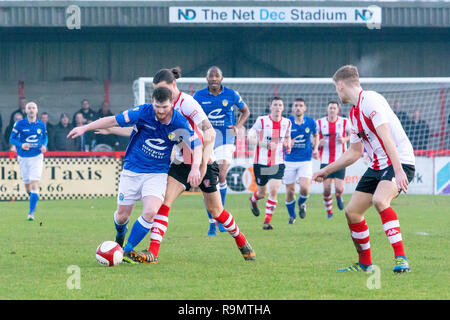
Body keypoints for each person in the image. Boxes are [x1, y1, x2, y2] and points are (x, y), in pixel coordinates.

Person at [108, 68, 255, 263]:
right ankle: (153, 253)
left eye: (163, 89)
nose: (159, 96)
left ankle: (241, 241)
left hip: (203, 162)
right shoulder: (162, 106)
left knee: (216, 211)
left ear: (173, 85)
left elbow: (209, 133)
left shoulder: (187, 103)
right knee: (163, 204)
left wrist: (201, 167)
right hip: (180, 163)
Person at [68, 86, 203, 263]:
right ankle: (120, 233)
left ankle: (126, 250)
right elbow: (112, 120)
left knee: (151, 212)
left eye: (164, 107)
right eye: (157, 106)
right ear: (152, 102)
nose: (160, 111)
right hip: (132, 170)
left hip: (157, 173)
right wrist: (85, 128)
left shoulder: (179, 122)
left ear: (171, 104)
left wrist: (195, 168)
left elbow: (197, 144)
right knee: (122, 216)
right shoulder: (142, 112)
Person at [313, 65, 415, 273]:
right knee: (352, 212)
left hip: (400, 160)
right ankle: (365, 265)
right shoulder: (353, 114)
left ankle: (401, 259)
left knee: (380, 200)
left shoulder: (370, 99)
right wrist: (326, 170)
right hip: (378, 165)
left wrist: (399, 170)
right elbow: (354, 152)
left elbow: (386, 136)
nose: (336, 93)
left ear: (341, 85)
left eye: (336, 88)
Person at [193, 66, 251, 236]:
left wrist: (238, 126)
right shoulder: (198, 96)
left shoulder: (232, 94)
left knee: (222, 172)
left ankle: (220, 217)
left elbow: (245, 111)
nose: (213, 79)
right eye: (210, 76)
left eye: (216, 76)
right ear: (207, 79)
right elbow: (191, 115)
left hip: (226, 137)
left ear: (221, 78)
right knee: (209, 180)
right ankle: (213, 222)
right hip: (207, 138)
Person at [248, 97, 292, 230]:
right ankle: (253, 200)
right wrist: (264, 144)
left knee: (274, 190)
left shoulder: (287, 123)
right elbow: (250, 137)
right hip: (261, 162)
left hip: (277, 162)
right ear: (270, 107)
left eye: (280, 105)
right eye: (275, 105)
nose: (278, 107)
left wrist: (288, 144)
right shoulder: (261, 121)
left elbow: (287, 136)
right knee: (262, 193)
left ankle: (266, 222)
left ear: (283, 108)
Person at [9, 102, 48, 221]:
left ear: (37, 110)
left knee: (34, 183)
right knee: (27, 187)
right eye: (29, 108)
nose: (31, 110)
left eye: (33, 108)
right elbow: (11, 139)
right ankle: (33, 199)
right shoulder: (19, 124)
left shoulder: (41, 124)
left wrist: (44, 145)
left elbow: (45, 137)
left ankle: (31, 213)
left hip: (36, 156)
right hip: (23, 157)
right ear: (26, 111)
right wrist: (21, 144)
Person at [282, 98, 318, 224]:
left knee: (304, 188)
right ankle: (292, 216)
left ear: (304, 108)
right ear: (292, 108)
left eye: (300, 105)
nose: (298, 107)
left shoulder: (311, 122)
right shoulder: (286, 122)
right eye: (296, 105)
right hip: (289, 160)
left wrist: (316, 148)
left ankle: (302, 204)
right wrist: (287, 142)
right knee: (290, 191)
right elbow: (279, 139)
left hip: (305, 160)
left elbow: (315, 135)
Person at [317, 101, 351, 219]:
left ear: (338, 110)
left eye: (334, 108)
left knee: (339, 188)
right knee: (326, 189)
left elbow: (353, 134)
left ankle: (338, 196)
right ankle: (329, 212)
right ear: (327, 109)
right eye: (330, 108)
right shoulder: (320, 122)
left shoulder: (344, 121)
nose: (332, 110)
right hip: (325, 160)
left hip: (340, 159)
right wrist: (318, 143)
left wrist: (345, 139)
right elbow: (314, 136)